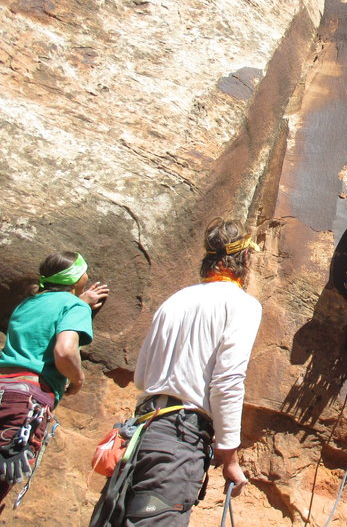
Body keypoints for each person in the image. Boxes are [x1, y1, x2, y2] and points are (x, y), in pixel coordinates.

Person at [90, 218, 262, 526]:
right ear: (244, 259)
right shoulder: (242, 305)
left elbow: (141, 377)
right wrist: (229, 456)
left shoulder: (176, 300)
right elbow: (228, 381)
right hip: (180, 439)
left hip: (142, 432)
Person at [0, 251, 109, 509]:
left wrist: (79, 302)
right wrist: (78, 379)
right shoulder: (74, 306)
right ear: (75, 278)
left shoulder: (27, 304)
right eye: (84, 271)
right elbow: (64, 350)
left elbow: (48, 317)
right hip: (25, 402)